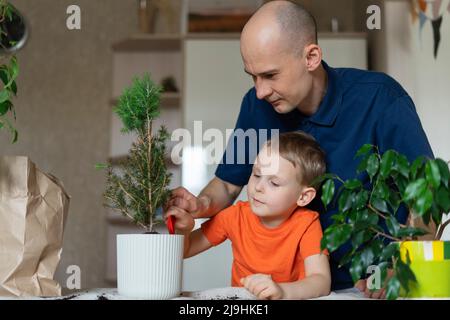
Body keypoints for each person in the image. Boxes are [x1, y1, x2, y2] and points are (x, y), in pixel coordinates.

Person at [166, 0, 434, 298]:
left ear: (311, 57)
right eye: (252, 76)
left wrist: (402, 266)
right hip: (294, 290)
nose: (260, 91)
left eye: (270, 75)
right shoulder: (256, 106)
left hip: (371, 286)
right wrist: (201, 204)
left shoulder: (380, 98)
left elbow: (427, 196)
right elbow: (228, 184)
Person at [166, 132, 331, 300]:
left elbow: (321, 281)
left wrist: (282, 291)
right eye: (257, 174)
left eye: (274, 183)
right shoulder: (234, 216)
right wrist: (184, 230)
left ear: (303, 197)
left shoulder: (307, 223)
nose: (258, 187)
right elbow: (186, 250)